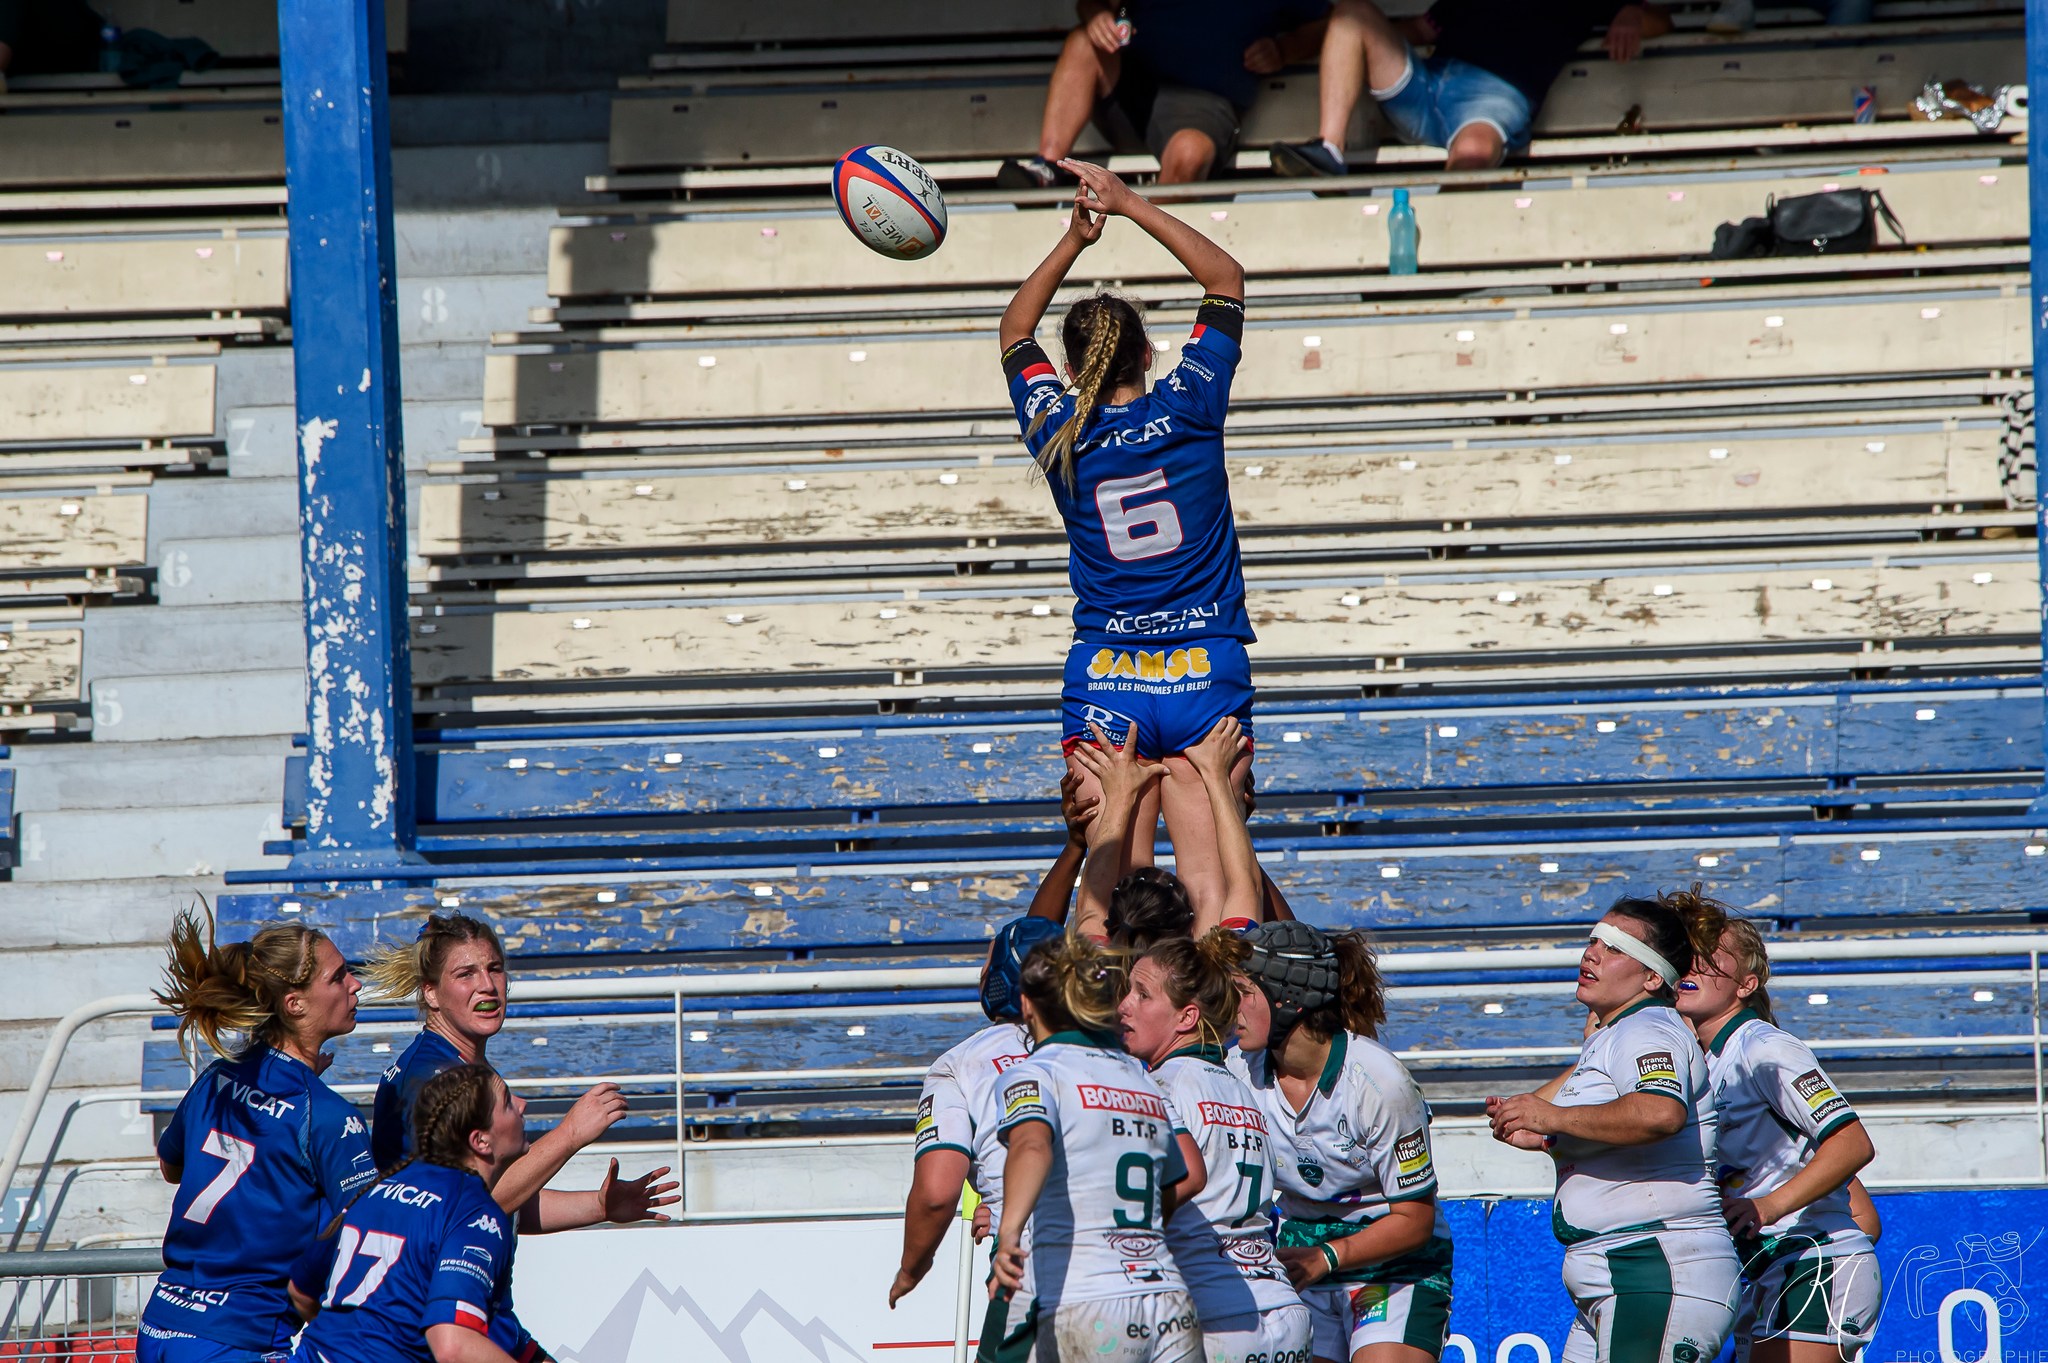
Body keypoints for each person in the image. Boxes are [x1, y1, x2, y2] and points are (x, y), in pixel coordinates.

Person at [1002, 158, 1255, 936]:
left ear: (1071, 370)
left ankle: (1102, 1049)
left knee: (1110, 898)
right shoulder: (1189, 404)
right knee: (1210, 896)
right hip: (1204, 666)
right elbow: (1227, 279)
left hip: (1106, 672)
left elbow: (1015, 330)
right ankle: (1205, 1049)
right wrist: (1127, 204)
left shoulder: (1060, 430)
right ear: (1150, 355)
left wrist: (1073, 240)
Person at [360, 915, 677, 1357]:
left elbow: (500, 1202)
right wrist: (568, 1136)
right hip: (440, 1323)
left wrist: (599, 1205)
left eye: (494, 968)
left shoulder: (457, 1066)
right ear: (430, 993)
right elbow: (469, 1208)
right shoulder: (436, 1081)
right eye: (465, 973)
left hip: (486, 1316)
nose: (487, 985)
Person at [1486, 891, 1740, 1363]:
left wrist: (1552, 1118)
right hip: (1621, 1271)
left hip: (1652, 1266)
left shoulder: (1647, 1028)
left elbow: (1660, 1112)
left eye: (1616, 947)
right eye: (1594, 941)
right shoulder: (1613, 1036)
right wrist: (1546, 1135)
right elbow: (1609, 1127)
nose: (1592, 953)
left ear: (1651, 975)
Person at [140, 906, 380, 1363]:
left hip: (162, 1325)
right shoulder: (328, 1116)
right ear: (295, 1004)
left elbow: (172, 1166)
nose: (356, 984)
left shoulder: (216, 1078)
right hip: (239, 1339)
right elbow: (366, 1236)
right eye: (338, 977)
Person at [1227, 922, 1453, 1363]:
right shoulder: (1236, 1071)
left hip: (1393, 1268)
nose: (1229, 1006)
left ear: (1289, 998)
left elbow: (1415, 1219)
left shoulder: (1379, 1081)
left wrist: (1327, 1257)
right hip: (1299, 1261)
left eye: (1243, 992)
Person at [1676, 911, 1880, 1363]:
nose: (1692, 966)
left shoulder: (1763, 1047)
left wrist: (1766, 1207)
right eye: (1687, 955)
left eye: (1710, 958)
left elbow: (1853, 1144)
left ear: (1746, 985)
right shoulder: (1703, 1065)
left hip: (1811, 1266)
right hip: (1772, 1270)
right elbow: (1864, 1213)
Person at [993, 930, 1200, 1362]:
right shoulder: (1138, 1074)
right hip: (1167, 1297)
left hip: (1086, 1301)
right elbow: (1177, 1180)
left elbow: (1032, 1147)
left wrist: (1008, 1232)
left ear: (1027, 1004)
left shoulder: (1035, 1072)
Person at [1122, 929, 1312, 1363]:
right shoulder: (1244, 1088)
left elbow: (1144, 1191)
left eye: (1142, 995)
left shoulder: (1161, 1087)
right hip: (1282, 1306)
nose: (1123, 1006)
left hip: (1212, 1314)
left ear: (1186, 1018)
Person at [290, 1064, 537, 1363]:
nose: (522, 1106)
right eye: (508, 1102)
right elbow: (452, 1345)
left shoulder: (377, 1189)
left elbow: (301, 1291)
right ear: (480, 1141)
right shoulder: (474, 1211)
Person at [887, 914, 1052, 1359]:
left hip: (1029, 1262)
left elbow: (937, 1193)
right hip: (1129, 1266)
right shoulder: (1118, 1056)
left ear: (998, 980)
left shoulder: (961, 1064)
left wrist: (911, 1269)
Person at [1269, 0, 1671, 174]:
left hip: (1493, 98)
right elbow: (1422, 28)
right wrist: (1304, 44)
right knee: (1353, 13)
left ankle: (1435, 261)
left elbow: (1660, 22)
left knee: (1474, 152)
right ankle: (1329, 150)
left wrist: (1632, 16)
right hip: (1428, 86)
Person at [1003, 0, 1331, 188]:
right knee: (1083, 41)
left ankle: (1142, 256)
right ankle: (1046, 165)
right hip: (1134, 91)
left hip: (1206, 104)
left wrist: (1283, 49)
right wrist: (1097, 18)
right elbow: (1093, 2)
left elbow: (1323, 22)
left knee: (1190, 154)